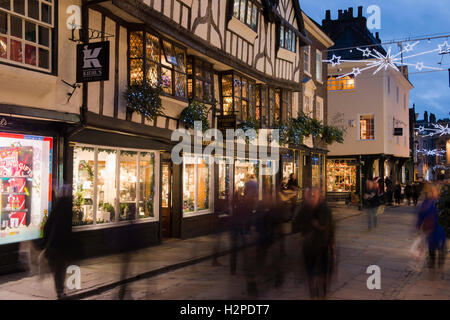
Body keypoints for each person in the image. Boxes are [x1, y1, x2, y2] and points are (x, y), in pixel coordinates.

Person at [294, 187, 336, 299]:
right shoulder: (304, 209)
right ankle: (313, 293)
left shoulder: (325, 210)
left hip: (323, 245)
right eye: (310, 195)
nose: (312, 197)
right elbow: (295, 226)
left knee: (323, 272)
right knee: (310, 272)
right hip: (308, 246)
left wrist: (332, 245)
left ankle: (323, 293)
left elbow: (330, 227)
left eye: (314, 195)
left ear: (319, 196)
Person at [41, 185, 74, 299]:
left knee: (58, 269)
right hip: (60, 246)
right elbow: (66, 230)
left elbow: (47, 227)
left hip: (55, 246)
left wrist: (45, 244)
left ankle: (60, 290)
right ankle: (60, 291)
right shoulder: (67, 210)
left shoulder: (56, 209)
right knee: (60, 268)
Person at [416, 184, 447, 274]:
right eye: (432, 191)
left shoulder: (441, 202)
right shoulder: (426, 203)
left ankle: (440, 264)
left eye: (435, 191)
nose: (434, 193)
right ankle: (432, 267)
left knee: (442, 248)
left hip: (440, 229)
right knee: (431, 249)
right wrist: (418, 225)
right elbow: (421, 216)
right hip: (431, 230)